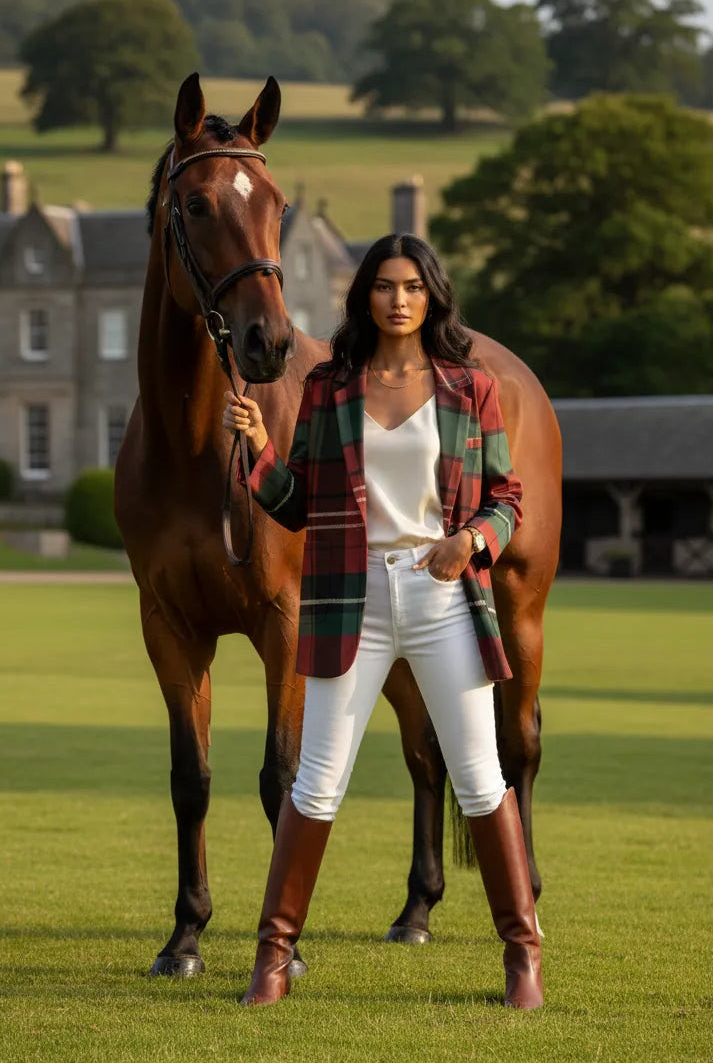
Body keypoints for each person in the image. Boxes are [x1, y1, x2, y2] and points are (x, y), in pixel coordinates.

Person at [223, 233, 543, 1010]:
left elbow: (507, 502)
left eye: (411, 286)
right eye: (383, 286)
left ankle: (521, 957)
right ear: (363, 295)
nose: (396, 299)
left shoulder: (471, 390)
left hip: (443, 604)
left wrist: (470, 540)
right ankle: (272, 958)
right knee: (316, 784)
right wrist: (261, 450)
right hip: (348, 603)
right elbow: (298, 505)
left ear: (430, 296)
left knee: (478, 780)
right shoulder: (330, 387)